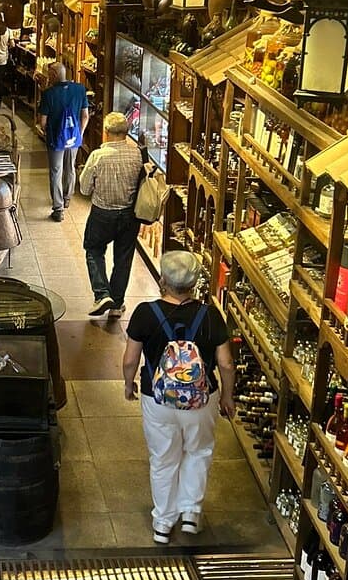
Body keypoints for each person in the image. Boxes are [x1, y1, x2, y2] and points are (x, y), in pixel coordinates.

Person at [121, 251, 236, 545]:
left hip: (158, 399)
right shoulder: (210, 315)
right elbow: (225, 363)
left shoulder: (145, 313)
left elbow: (130, 359)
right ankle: (190, 513)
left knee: (163, 458)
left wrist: (129, 384)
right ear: (194, 282)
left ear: (163, 280)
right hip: (201, 400)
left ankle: (162, 522)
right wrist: (227, 396)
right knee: (198, 452)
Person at [78, 110, 144, 318]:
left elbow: (84, 189)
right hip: (129, 215)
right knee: (123, 258)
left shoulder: (97, 156)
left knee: (94, 250)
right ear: (126, 132)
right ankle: (117, 304)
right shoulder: (137, 155)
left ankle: (102, 294)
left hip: (102, 214)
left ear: (106, 132)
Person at [37, 63, 89, 221]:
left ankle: (58, 208)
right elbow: (85, 116)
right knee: (70, 167)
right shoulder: (80, 89)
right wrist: (79, 133)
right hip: (74, 137)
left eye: (49, 74)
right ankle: (67, 197)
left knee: (56, 171)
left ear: (53, 75)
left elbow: (43, 121)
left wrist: (47, 133)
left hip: (56, 139)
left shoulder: (48, 94)